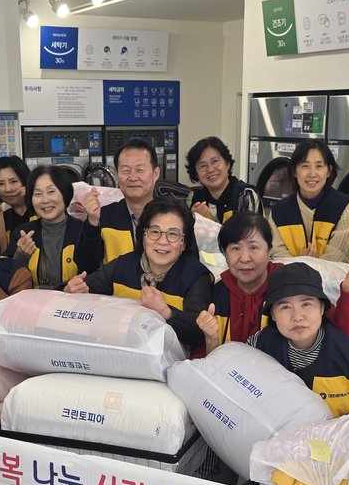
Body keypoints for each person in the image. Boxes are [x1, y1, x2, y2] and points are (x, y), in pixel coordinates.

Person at [195, 212, 349, 353]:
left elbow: (340, 332)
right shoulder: (217, 292)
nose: (245, 258)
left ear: (269, 250)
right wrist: (210, 340)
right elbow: (199, 354)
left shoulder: (291, 282)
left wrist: (348, 291)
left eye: (253, 247)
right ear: (225, 254)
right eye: (235, 248)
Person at [248, 263, 349, 417]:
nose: (297, 316)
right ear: (273, 315)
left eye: (306, 304)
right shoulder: (259, 345)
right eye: (285, 307)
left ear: (322, 308)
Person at [66, 197, 211, 350]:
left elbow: (200, 333)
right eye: (155, 232)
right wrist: (71, 289)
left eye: (173, 234)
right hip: (118, 351)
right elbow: (85, 287)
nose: (163, 241)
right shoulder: (122, 265)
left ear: (184, 243)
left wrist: (166, 312)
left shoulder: (196, 276)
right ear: (143, 236)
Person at [76, 138, 161, 269]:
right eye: (125, 170)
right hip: (116, 282)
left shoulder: (173, 216)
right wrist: (92, 223)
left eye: (140, 170)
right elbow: (86, 266)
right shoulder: (103, 216)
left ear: (155, 174)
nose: (132, 177)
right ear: (117, 175)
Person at [268, 139, 349, 261]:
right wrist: (305, 263)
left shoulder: (346, 207)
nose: (312, 174)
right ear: (294, 171)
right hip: (291, 274)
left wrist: (308, 263)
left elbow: (338, 257)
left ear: (329, 171)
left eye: (319, 166)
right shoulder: (278, 212)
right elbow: (277, 257)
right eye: (305, 166)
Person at [12, 165, 86, 289]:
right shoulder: (22, 234)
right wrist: (20, 255)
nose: (45, 200)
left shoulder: (83, 231)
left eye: (51, 191)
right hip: (33, 301)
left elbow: (92, 275)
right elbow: (11, 283)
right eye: (38, 194)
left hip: (76, 299)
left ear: (65, 193)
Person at [187, 137, 260, 223]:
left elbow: (243, 231)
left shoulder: (245, 194)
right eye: (203, 166)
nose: (210, 169)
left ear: (227, 164)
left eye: (215, 161)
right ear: (196, 174)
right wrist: (192, 219)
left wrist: (203, 221)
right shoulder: (194, 197)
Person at [0, 155, 32, 245]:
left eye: (13, 181)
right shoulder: (2, 216)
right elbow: (0, 249)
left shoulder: (40, 210)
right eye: (0, 184)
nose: (8, 189)